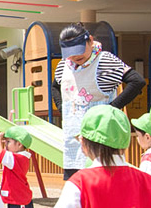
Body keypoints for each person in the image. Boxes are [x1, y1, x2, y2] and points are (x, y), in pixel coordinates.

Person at [51, 23, 145, 180]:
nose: (75, 57)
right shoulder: (63, 65)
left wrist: (112, 108)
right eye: (71, 53)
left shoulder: (105, 60)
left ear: (90, 41)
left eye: (79, 50)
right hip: (73, 137)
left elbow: (137, 81)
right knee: (76, 184)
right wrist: (62, 108)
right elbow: (55, 87)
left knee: (102, 182)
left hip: (101, 137)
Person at [131, 107, 151, 176]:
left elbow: (145, 184)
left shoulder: (148, 159)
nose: (137, 139)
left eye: (137, 135)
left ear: (147, 137)